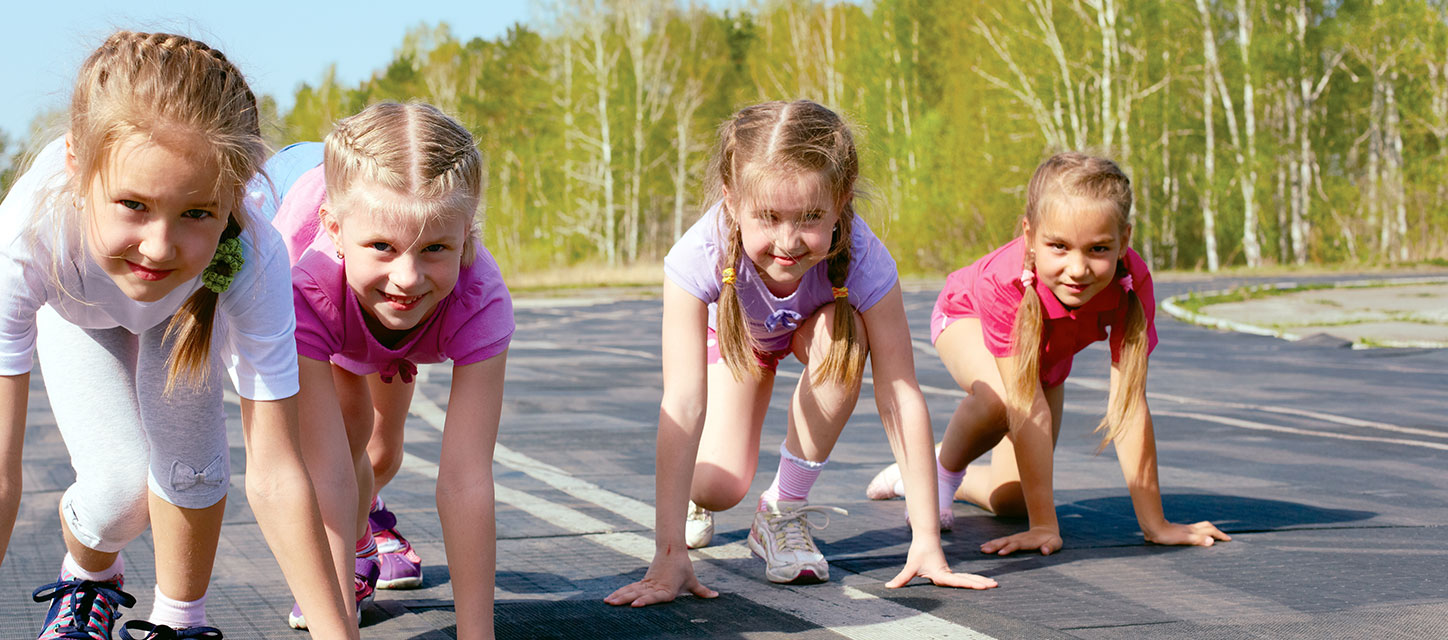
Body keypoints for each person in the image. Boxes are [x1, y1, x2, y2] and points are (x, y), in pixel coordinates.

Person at [0, 31, 353, 640]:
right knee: (121, 493)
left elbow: (278, 473)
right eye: (133, 204)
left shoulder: (255, 255)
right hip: (79, 309)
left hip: (185, 314)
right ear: (78, 167)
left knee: (195, 472)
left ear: (234, 195)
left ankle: (181, 621)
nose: (158, 248)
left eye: (196, 213)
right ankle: (87, 580)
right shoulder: (26, 239)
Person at [606, 100, 997, 608]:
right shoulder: (695, 257)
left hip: (814, 332)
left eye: (812, 217)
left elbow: (900, 395)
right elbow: (682, 404)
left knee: (845, 332)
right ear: (731, 200)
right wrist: (667, 554)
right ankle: (697, 504)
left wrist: (927, 541)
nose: (788, 242)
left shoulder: (867, 262)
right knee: (718, 487)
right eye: (768, 217)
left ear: (842, 201)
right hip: (738, 344)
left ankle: (781, 511)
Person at [864, 152, 1232, 557]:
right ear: (1029, 236)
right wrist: (1045, 526)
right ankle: (940, 478)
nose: (1078, 269)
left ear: (1124, 240)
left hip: (1044, 356)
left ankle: (920, 475)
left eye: (1098, 249)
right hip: (965, 317)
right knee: (1001, 400)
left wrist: (1156, 525)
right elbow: (1024, 402)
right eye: (1059, 246)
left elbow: (1128, 405)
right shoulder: (1003, 280)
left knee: (1014, 502)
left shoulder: (1132, 284)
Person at [265, 102, 511, 639]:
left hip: (372, 300)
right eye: (383, 247)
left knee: (379, 450)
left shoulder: (479, 297)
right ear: (334, 230)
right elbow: (322, 475)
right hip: (327, 294)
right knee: (344, 437)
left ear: (467, 235)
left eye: (436, 248)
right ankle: (357, 554)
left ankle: (370, 517)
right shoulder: (298, 285)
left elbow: (467, 478)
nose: (407, 277)